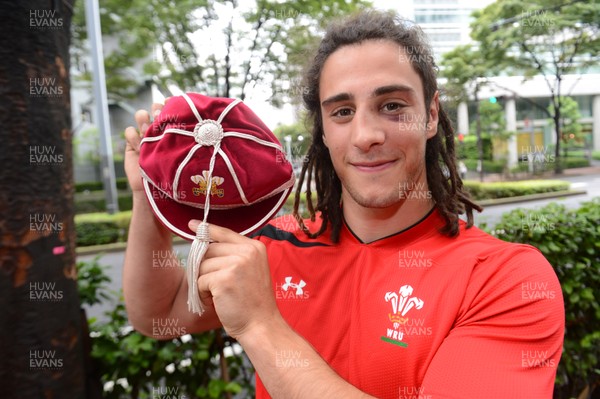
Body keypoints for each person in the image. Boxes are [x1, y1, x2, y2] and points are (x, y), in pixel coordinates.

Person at [123, 11, 564, 399]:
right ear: (323, 130)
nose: (364, 135)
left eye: (391, 106)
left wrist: (262, 326)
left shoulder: (504, 279)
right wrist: (150, 193)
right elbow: (158, 315)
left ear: (430, 116)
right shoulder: (273, 247)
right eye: (341, 112)